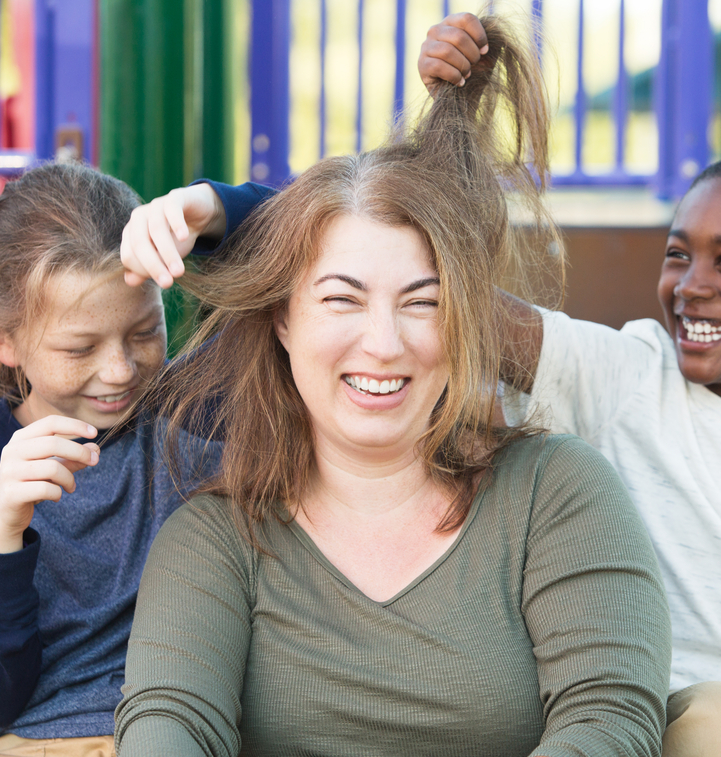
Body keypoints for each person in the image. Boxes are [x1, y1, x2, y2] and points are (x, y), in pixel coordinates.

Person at [115, 16, 670, 757]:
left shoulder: (556, 492)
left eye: (423, 302)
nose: (385, 341)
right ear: (284, 320)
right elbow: (168, 725)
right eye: (343, 299)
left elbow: (609, 720)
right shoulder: (217, 538)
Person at [420, 14, 721, 757]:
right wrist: (452, 121)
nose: (690, 287)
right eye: (678, 255)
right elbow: (453, 299)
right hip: (685, 722)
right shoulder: (628, 375)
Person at [0, 162, 265, 757]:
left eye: (145, 332)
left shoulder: (194, 407)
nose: (120, 371)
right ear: (1, 340)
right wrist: (0, 537)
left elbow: (324, 246)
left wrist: (214, 210)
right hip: (34, 742)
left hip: (187, 730)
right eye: (80, 348)